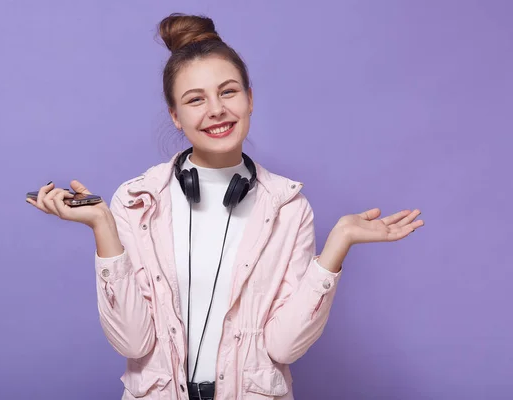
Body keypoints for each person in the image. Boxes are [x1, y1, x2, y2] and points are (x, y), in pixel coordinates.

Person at [26, 13, 424, 400]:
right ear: (175, 116)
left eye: (228, 92)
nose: (216, 110)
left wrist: (337, 245)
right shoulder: (136, 202)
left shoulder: (288, 207)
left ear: (250, 99)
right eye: (195, 99)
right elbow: (132, 342)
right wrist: (102, 226)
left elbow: (284, 348)